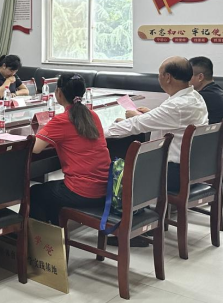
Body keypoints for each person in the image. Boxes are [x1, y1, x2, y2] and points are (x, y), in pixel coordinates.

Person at [106, 57, 209, 194]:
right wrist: (149, 115)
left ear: (167, 77)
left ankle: (127, 205)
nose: (158, 78)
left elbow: (135, 125)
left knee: (116, 170)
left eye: (159, 74)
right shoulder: (195, 97)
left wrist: (98, 132)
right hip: (195, 169)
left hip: (173, 173)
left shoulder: (177, 105)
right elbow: (173, 120)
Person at [30, 74, 110, 226]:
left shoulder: (62, 120)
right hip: (105, 189)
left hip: (82, 192)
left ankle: (42, 238)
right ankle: (56, 229)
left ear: (58, 93)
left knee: (35, 193)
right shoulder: (92, 115)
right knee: (51, 191)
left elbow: (35, 148)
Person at [190, 56, 223, 124]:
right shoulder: (219, 92)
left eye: (188, 75)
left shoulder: (199, 98)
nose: (185, 79)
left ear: (200, 77)